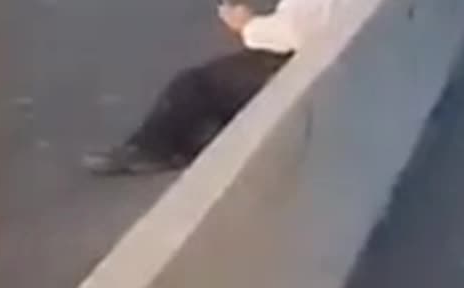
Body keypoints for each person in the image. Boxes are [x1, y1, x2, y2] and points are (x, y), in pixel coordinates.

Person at [83, 0, 340, 175]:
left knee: (194, 85)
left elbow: (295, 33)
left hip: (304, 62)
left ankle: (151, 149)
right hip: (335, 53)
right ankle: (197, 136)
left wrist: (247, 25)